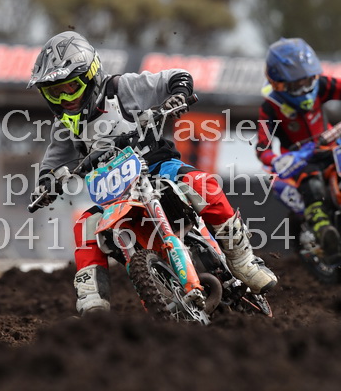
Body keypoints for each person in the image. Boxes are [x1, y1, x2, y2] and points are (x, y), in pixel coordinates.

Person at [28, 31, 277, 315]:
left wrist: (177, 95)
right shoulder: (65, 125)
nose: (64, 98)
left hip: (157, 168)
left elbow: (175, 77)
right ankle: (93, 303)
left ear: (90, 76)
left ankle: (243, 261)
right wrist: (46, 183)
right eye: (54, 92)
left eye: (70, 87)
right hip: (113, 194)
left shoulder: (121, 89)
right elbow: (52, 163)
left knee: (202, 184)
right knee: (84, 226)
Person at [256, 36, 341, 256]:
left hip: (332, 144)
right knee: (310, 180)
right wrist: (275, 159)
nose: (304, 88)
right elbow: (262, 146)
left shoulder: (322, 85)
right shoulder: (271, 106)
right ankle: (323, 228)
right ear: (279, 83)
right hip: (299, 159)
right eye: (297, 84)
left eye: (307, 81)